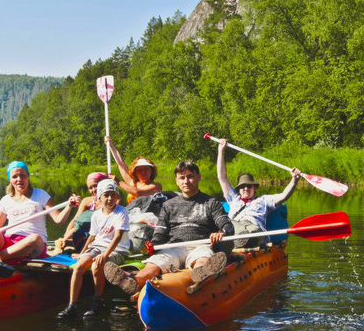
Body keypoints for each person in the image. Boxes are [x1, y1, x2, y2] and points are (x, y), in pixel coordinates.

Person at [104, 161, 233, 296]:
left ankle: (201, 273)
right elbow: (160, 232)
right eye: (182, 178)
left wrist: (221, 233)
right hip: (174, 247)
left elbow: (227, 225)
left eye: (190, 176)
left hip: (200, 245)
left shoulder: (211, 203)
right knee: (154, 264)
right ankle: (132, 280)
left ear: (199, 177)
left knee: (201, 259)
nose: (186, 181)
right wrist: (153, 245)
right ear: (176, 181)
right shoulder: (168, 205)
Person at [0, 161, 81, 279]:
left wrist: (69, 206)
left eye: (22, 175)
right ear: (10, 179)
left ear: (28, 177)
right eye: (14, 176)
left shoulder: (40, 195)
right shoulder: (5, 200)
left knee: (35, 238)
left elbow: (59, 220)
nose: (19, 179)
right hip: (8, 242)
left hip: (33, 244)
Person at [57, 179, 131, 319]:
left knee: (97, 265)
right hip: (97, 247)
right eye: (106, 195)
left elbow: (117, 236)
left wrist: (105, 255)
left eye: (113, 195)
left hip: (117, 249)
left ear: (117, 197)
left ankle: (98, 302)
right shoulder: (96, 215)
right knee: (79, 266)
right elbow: (92, 237)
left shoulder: (121, 212)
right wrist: (82, 253)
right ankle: (72, 305)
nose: (110, 198)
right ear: (99, 197)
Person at [216, 138, 301, 250]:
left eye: (249, 186)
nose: (245, 188)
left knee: (245, 231)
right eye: (242, 186)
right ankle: (234, 241)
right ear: (239, 189)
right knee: (227, 227)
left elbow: (284, 196)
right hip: (234, 228)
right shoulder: (233, 199)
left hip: (254, 231)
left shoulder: (263, 201)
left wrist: (294, 180)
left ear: (254, 188)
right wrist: (221, 151)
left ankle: (239, 240)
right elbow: (222, 177)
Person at [50, 172, 110, 255]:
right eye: (90, 188)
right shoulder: (87, 201)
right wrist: (65, 237)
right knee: (79, 223)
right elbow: (75, 220)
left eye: (96, 185)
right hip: (83, 237)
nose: (93, 190)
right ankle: (64, 243)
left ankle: (69, 245)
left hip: (100, 237)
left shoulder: (111, 201)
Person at [105, 135, 162, 203]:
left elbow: (138, 193)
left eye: (146, 169)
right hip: (132, 212)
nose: (143, 172)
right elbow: (120, 163)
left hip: (149, 213)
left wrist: (119, 182)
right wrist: (111, 145)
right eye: (140, 170)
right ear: (135, 172)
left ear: (151, 171)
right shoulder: (132, 183)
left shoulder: (156, 186)